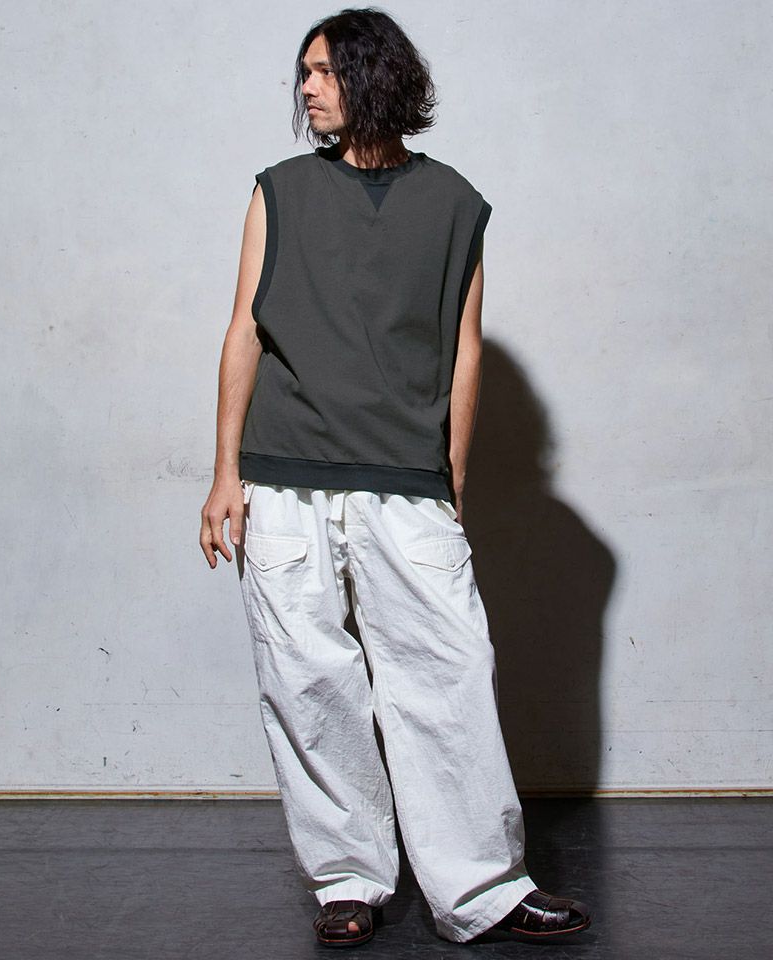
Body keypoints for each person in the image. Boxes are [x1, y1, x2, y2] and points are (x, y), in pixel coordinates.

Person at [200, 6, 592, 949]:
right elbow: (245, 329)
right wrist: (223, 474)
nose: (306, 88)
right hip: (284, 475)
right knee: (308, 685)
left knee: (447, 674)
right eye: (303, 73)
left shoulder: (456, 202)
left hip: (404, 478)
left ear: (373, 76)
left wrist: (448, 475)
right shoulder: (280, 190)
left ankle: (483, 887)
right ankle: (349, 879)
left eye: (323, 71)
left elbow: (464, 350)